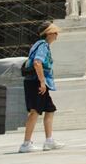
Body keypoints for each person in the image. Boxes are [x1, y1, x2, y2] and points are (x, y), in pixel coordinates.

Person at [19, 22, 64, 153]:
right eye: (55, 32)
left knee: (50, 109)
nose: (57, 35)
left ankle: (49, 140)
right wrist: (42, 82)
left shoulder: (39, 45)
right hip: (36, 82)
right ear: (48, 34)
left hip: (36, 81)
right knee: (35, 111)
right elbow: (37, 63)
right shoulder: (43, 45)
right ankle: (26, 144)